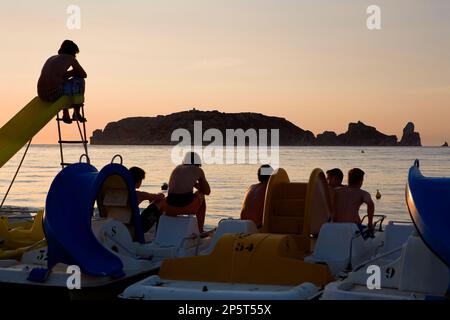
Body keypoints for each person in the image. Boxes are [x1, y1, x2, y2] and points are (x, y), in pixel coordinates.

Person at [37, 40, 87, 124]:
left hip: (42, 94)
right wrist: (73, 72)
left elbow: (58, 78)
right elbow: (83, 74)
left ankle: (65, 113)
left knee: (63, 83)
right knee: (79, 81)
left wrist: (69, 73)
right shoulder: (70, 58)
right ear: (72, 51)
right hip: (55, 94)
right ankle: (76, 113)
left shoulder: (51, 58)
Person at [161, 152, 211, 233]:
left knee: (178, 196)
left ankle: (172, 229)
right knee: (201, 195)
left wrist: (193, 182)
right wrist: (196, 183)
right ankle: (200, 230)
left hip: (169, 208)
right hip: (185, 207)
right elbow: (207, 191)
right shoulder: (198, 170)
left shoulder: (177, 168)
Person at [332, 168, 374, 232]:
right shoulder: (363, 193)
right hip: (352, 228)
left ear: (348, 179)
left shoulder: (336, 191)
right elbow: (370, 204)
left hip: (335, 226)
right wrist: (370, 223)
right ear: (361, 181)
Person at [129, 167, 165, 232]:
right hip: (138, 228)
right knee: (161, 201)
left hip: (123, 225)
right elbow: (160, 197)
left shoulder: (122, 193)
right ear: (139, 181)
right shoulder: (139, 195)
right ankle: (159, 233)